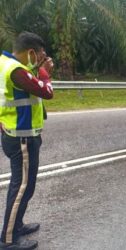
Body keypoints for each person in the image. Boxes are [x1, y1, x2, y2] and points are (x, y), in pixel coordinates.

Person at [0, 32, 54, 250]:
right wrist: (45, 73)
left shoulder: (6, 63)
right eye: (40, 55)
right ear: (31, 52)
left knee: (26, 185)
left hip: (17, 134)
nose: (42, 58)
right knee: (21, 187)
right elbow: (46, 91)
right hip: (22, 138)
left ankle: (17, 225)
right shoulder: (17, 71)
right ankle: (8, 239)